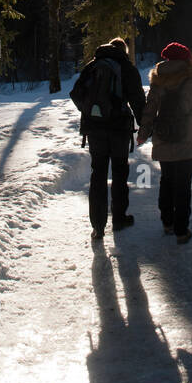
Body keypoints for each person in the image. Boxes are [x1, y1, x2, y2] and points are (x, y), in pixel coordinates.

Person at [71, 36, 146, 242]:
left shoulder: (92, 65)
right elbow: (138, 99)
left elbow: (75, 93)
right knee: (120, 172)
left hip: (94, 130)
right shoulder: (126, 68)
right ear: (124, 50)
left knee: (98, 173)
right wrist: (144, 126)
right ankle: (119, 219)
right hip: (119, 128)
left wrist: (90, 111)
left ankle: (98, 226)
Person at [137, 42, 192, 244]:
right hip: (187, 136)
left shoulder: (158, 78)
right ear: (187, 58)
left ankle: (167, 222)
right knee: (183, 185)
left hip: (163, 137)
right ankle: (181, 230)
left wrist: (143, 133)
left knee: (167, 180)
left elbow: (150, 110)